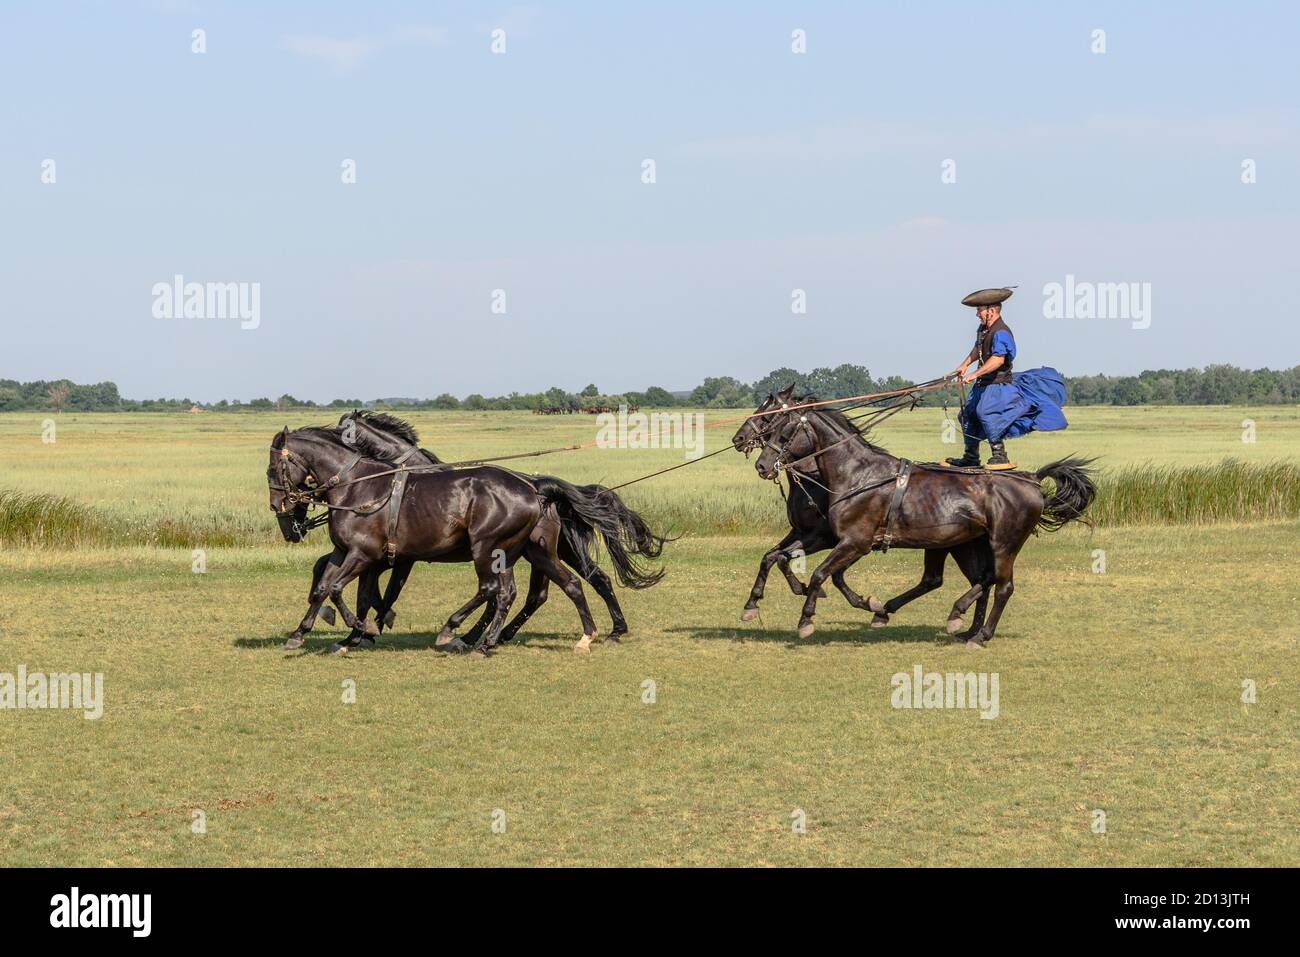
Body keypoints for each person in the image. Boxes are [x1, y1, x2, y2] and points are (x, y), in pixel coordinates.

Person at [944, 287, 1068, 470]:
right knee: (967, 414)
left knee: (986, 412)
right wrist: (963, 366)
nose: (977, 314)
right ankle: (971, 456)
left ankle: (1000, 455)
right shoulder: (984, 329)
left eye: (980, 310)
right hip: (983, 385)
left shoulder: (1001, 332)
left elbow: (998, 359)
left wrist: (974, 374)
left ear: (991, 311)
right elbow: (977, 349)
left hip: (998, 385)